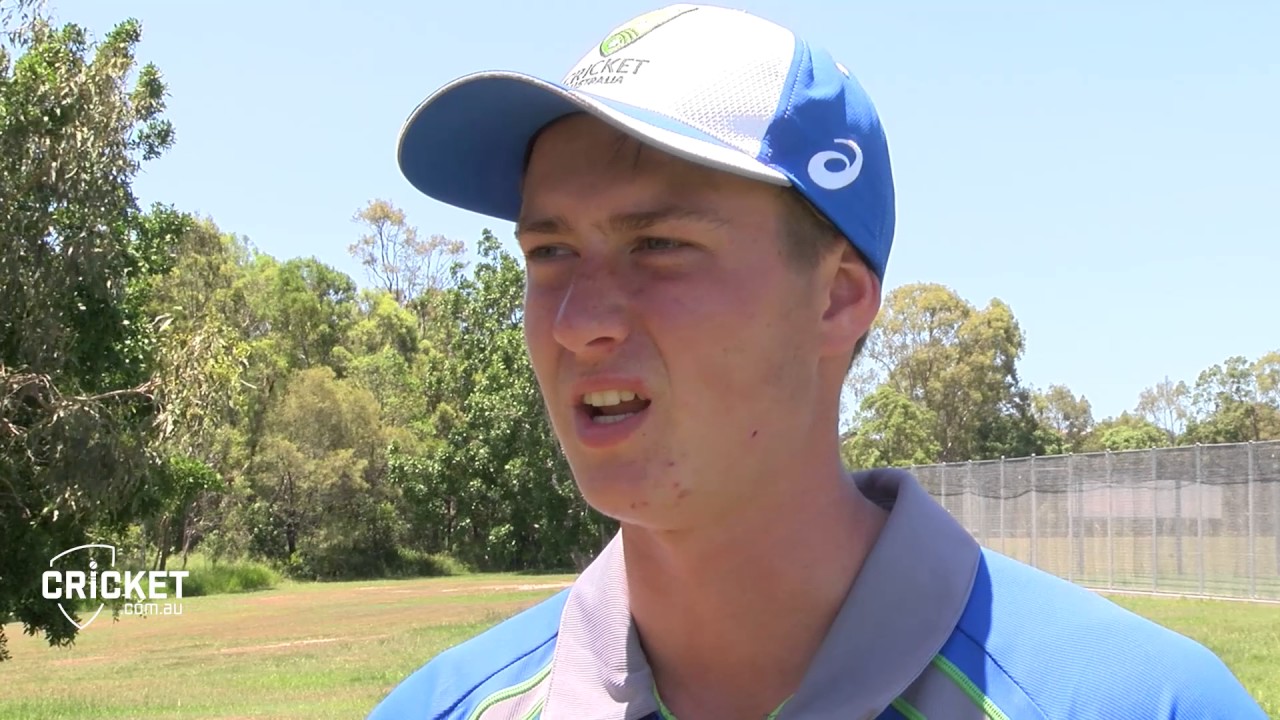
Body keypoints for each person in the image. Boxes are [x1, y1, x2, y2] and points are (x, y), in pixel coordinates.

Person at [369, 5, 1266, 719]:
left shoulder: (1141, 702)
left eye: (659, 244)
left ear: (838, 295)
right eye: (550, 252)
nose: (577, 321)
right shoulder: (441, 709)